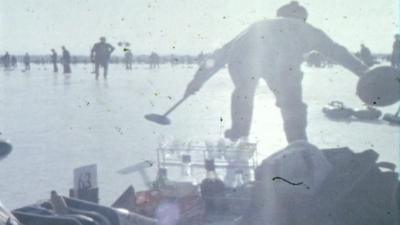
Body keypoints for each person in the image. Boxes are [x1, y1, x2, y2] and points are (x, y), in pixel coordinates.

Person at [183, 1, 368, 143]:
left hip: (243, 57)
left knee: (243, 92)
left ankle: (239, 134)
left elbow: (221, 53)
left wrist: (196, 81)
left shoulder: (258, 24)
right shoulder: (306, 28)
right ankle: (297, 141)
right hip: (280, 60)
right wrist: (364, 72)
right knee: (292, 103)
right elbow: (337, 51)